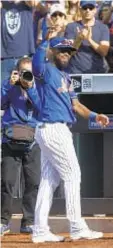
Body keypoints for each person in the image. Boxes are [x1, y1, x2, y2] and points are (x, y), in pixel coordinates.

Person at [29, 33, 109, 243]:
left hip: (56, 129)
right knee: (73, 174)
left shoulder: (66, 78)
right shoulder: (45, 69)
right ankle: (76, 226)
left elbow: (76, 105)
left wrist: (94, 115)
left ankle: (39, 230)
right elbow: (37, 60)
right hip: (53, 128)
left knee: (49, 180)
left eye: (69, 51)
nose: (66, 54)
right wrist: (46, 40)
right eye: (61, 50)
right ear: (53, 52)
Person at [1, 57, 41, 236]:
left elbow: (41, 106)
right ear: (17, 71)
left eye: (29, 72)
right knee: (7, 182)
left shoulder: (38, 86)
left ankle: (29, 221)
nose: (26, 75)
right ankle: (3, 221)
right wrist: (9, 85)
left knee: (33, 183)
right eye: (23, 71)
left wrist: (30, 86)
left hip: (33, 140)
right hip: (11, 141)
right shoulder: (9, 84)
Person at [1, 0, 44, 82]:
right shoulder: (3, 4)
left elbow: (33, 2)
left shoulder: (26, 4)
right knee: (4, 91)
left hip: (24, 57)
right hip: (5, 58)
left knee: (26, 89)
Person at [64, 0, 110, 73]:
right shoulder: (71, 27)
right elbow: (68, 53)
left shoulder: (103, 27)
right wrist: (79, 39)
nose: (88, 10)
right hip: (76, 72)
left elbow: (104, 52)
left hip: (98, 71)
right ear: (80, 9)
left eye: (91, 8)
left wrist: (89, 40)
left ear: (95, 10)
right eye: (85, 8)